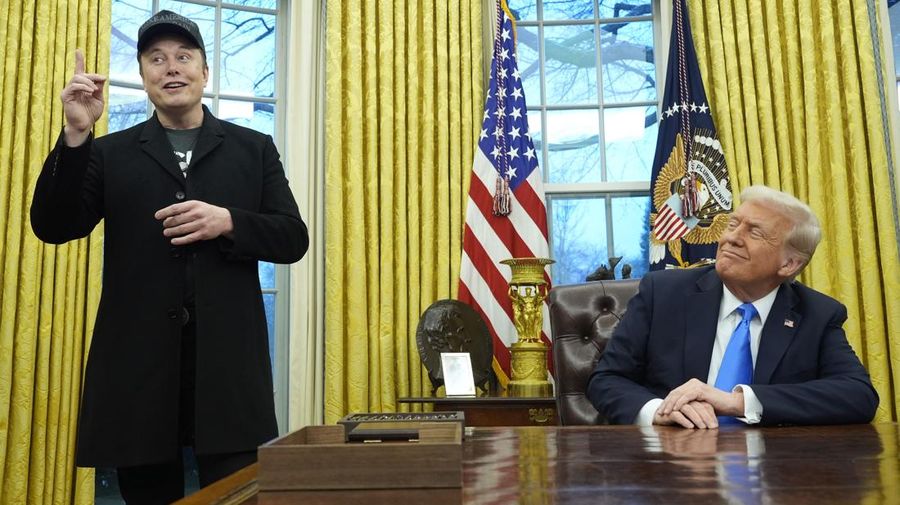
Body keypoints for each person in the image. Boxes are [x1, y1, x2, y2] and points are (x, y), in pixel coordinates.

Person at [30, 10, 308, 504]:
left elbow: (293, 238)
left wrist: (230, 222)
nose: (171, 68)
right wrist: (76, 136)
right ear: (143, 76)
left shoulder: (254, 148)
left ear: (205, 72)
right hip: (139, 375)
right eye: (156, 59)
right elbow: (53, 227)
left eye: (184, 57)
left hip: (228, 376)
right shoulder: (107, 152)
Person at [587, 185, 878, 428]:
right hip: (672, 468)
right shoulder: (663, 294)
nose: (731, 238)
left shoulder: (817, 314)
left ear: (789, 264)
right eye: (733, 224)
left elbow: (858, 395)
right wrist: (660, 411)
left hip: (775, 476)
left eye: (754, 232)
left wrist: (738, 402)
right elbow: (607, 379)